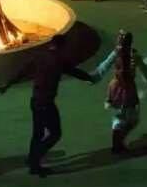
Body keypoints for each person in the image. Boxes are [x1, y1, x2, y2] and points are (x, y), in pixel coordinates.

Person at [8, 34, 95, 177]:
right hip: (46, 102)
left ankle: (32, 160)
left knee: (38, 133)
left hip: (35, 100)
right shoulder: (59, 59)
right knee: (55, 133)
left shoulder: (40, 56)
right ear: (62, 47)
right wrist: (90, 78)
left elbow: (22, 72)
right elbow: (75, 72)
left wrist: (7, 85)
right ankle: (34, 160)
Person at [89, 30, 147, 153]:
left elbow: (104, 66)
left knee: (120, 116)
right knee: (131, 118)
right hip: (127, 88)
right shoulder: (131, 54)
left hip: (116, 87)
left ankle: (117, 142)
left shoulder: (117, 53)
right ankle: (117, 143)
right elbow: (144, 69)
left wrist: (95, 77)